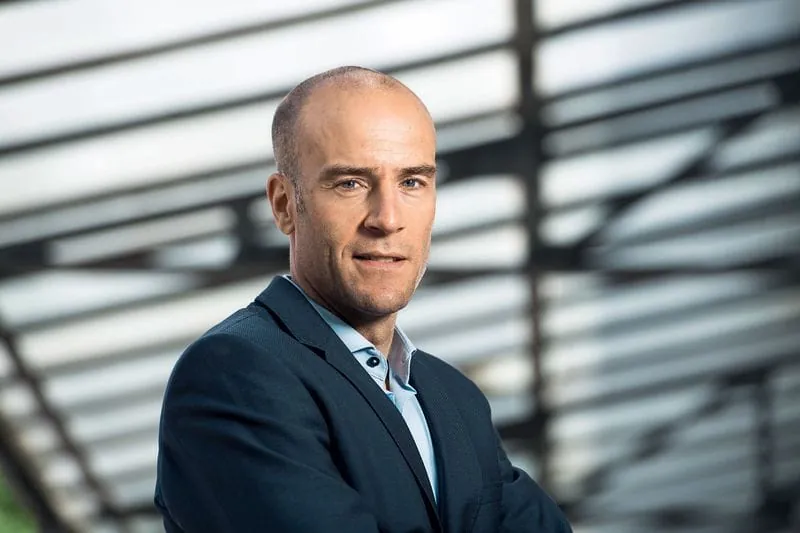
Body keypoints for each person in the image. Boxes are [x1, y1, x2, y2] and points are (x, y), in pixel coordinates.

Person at [154, 66, 572, 533]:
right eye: (350, 183)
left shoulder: (454, 398)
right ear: (284, 205)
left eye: (412, 182)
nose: (387, 219)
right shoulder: (234, 374)